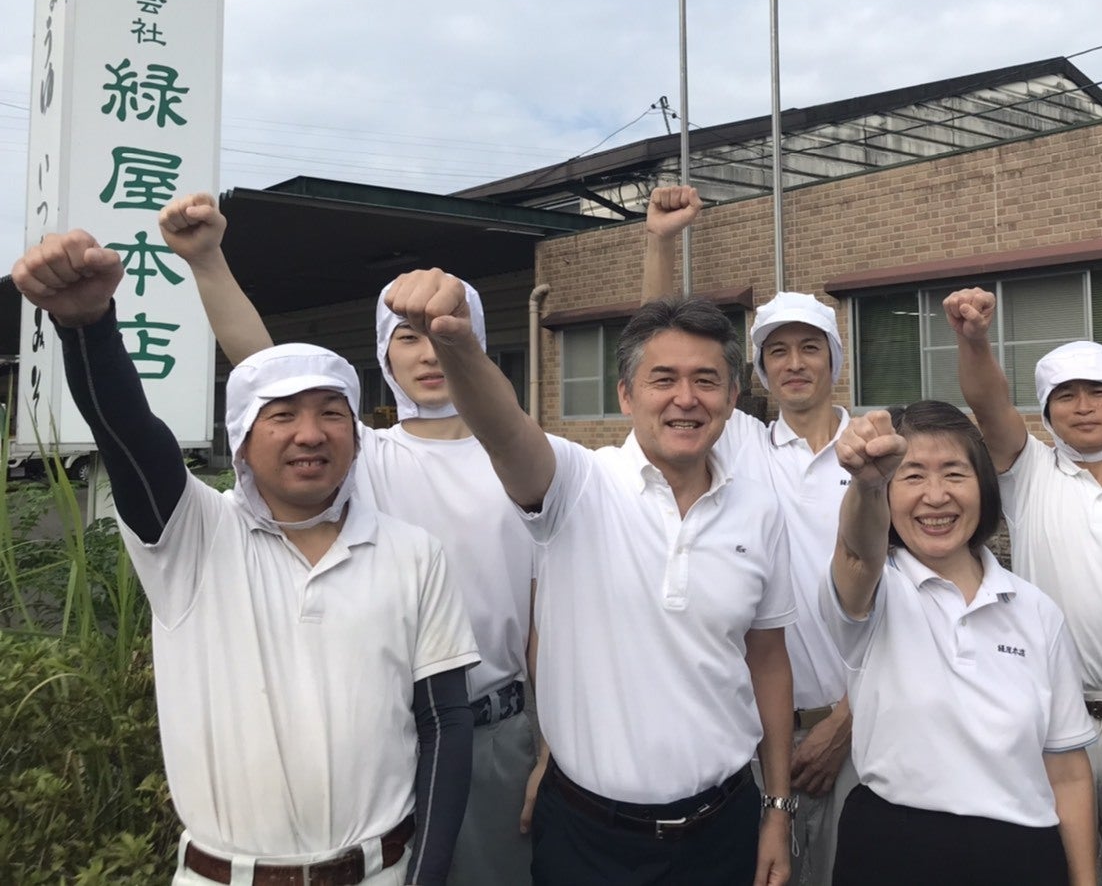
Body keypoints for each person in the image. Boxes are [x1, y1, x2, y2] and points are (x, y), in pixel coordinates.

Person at [11, 230, 479, 886]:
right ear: (242, 439)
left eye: (331, 413)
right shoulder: (193, 537)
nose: (310, 434)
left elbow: (444, 724)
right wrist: (87, 326)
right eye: (281, 415)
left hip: (382, 872)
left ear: (355, 432)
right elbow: (132, 438)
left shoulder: (412, 554)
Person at [157, 192, 541, 886]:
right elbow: (265, 364)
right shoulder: (364, 453)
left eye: (445, 334)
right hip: (383, 740)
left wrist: (553, 744)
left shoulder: (528, 459)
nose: (428, 354)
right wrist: (208, 260)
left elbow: (554, 612)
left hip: (497, 732)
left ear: (475, 340)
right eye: (407, 337)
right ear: (382, 353)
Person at [385, 270, 797, 886]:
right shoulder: (577, 484)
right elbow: (504, 429)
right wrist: (457, 345)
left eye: (706, 380)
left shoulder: (759, 511)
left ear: (732, 395)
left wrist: (778, 809)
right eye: (663, 379)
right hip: (588, 838)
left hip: (723, 828)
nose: (686, 398)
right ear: (626, 395)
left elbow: (768, 660)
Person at [643, 185, 856, 885]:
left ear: (834, 360)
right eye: (777, 352)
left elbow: (910, 603)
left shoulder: (876, 452)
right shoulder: (742, 445)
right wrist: (662, 243)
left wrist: (846, 720)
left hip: (864, 728)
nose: (794, 364)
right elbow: (662, 351)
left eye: (809, 348)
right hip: (758, 733)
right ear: (757, 373)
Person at [948, 287, 1102, 885]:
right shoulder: (1027, 471)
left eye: (1097, 392)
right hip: (1050, 722)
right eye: (1065, 396)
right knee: (1050, 869)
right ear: (1046, 409)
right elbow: (988, 404)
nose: (1083, 407)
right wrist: (974, 340)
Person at [822, 401, 1097, 886]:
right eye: (911, 476)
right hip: (892, 852)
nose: (935, 496)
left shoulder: (1036, 611)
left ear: (984, 487)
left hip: (1022, 857)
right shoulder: (876, 593)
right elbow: (857, 554)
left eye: (954, 473)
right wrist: (866, 484)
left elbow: (1068, 772)